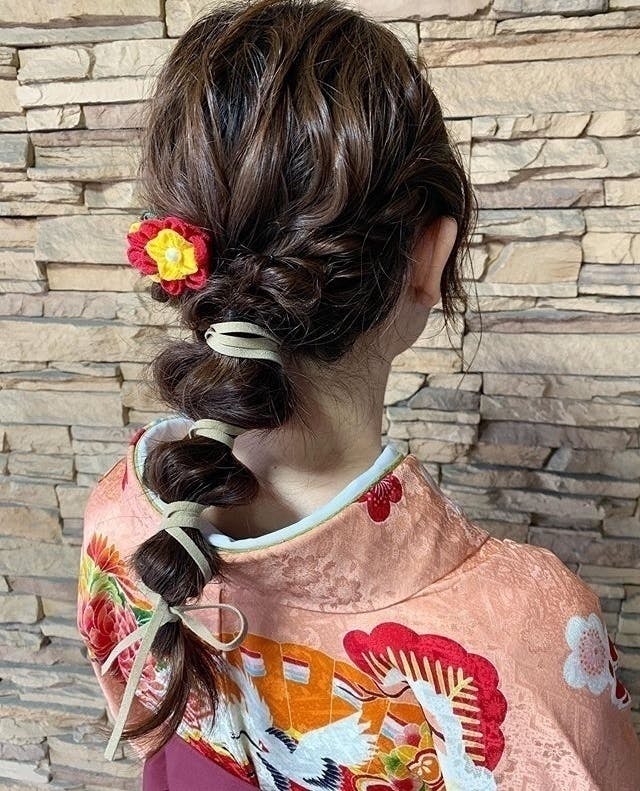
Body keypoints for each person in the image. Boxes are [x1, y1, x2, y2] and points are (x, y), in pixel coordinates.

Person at [76, 0, 640, 788]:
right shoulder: (528, 628)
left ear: (182, 261)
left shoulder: (121, 516)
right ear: (429, 256)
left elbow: (142, 724)